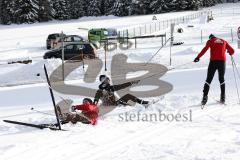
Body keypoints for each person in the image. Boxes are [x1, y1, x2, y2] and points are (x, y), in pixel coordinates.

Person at [194, 34, 234, 105]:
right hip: (222, 62)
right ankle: (222, 98)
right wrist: (229, 52)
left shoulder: (210, 41)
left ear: (210, 38)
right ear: (215, 37)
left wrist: (198, 57)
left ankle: (204, 98)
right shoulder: (224, 41)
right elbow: (232, 50)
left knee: (208, 80)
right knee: (221, 79)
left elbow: (204, 49)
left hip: (213, 62)